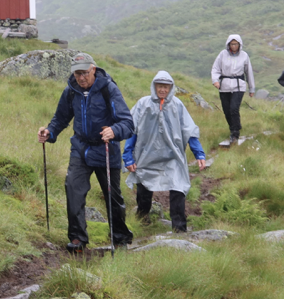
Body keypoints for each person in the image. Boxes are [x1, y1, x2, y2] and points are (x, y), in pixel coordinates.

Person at [38, 52, 135, 253]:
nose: (81, 78)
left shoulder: (108, 89)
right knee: (73, 188)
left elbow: (127, 123)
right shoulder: (71, 90)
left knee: (112, 196)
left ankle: (120, 239)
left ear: (93, 69)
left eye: (84, 73)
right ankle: (77, 239)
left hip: (106, 150)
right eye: (77, 74)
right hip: (80, 149)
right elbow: (60, 118)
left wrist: (114, 131)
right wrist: (50, 132)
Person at [123, 71, 207, 233]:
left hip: (173, 157)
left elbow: (189, 130)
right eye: (159, 86)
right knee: (144, 191)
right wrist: (128, 157)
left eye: (166, 86)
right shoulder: (143, 104)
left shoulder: (177, 106)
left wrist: (199, 154)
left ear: (171, 87)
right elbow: (131, 130)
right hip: (146, 156)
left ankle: (179, 229)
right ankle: (142, 221)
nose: (162, 89)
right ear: (154, 86)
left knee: (178, 189)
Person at [210, 34, 255, 143]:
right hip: (224, 86)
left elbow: (249, 72)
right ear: (228, 44)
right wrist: (215, 80)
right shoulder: (222, 54)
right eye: (232, 44)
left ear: (239, 44)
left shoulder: (244, 56)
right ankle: (234, 127)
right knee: (226, 110)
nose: (234, 46)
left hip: (238, 86)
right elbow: (215, 68)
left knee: (234, 108)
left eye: (236, 44)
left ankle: (235, 133)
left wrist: (251, 88)